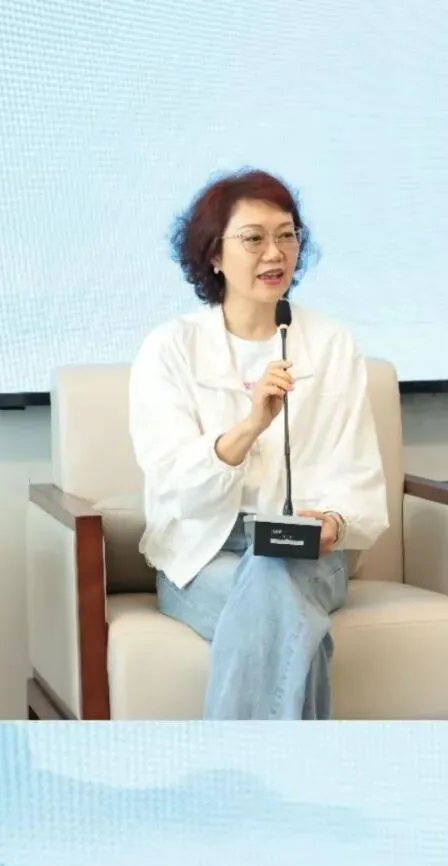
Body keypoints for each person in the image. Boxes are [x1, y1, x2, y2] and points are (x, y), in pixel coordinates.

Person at [130, 169, 389, 720]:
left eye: (287, 235)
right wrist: (251, 425)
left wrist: (334, 522)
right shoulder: (169, 349)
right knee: (293, 627)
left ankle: (237, 765)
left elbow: (357, 471)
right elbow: (174, 486)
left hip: (309, 557)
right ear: (214, 255)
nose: (275, 253)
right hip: (203, 555)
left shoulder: (330, 342)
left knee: (278, 573)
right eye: (253, 238)